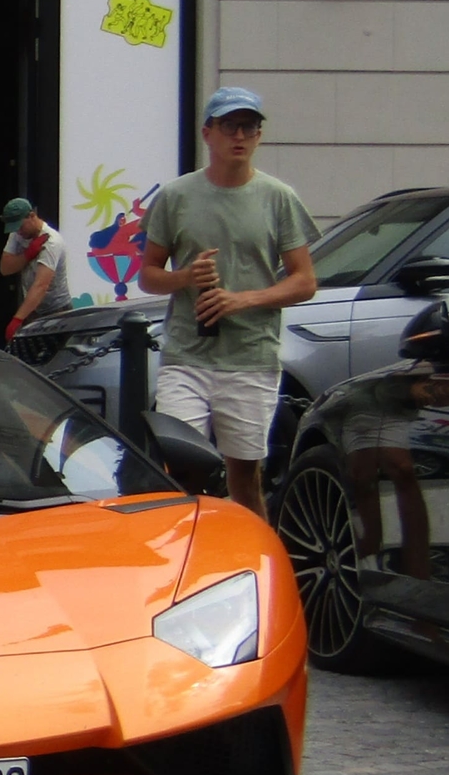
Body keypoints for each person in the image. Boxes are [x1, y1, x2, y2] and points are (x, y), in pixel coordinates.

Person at [136, 86, 319, 518]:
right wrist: (185, 277)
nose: (240, 135)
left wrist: (242, 300)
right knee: (182, 472)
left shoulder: (278, 197)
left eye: (250, 126)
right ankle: (181, 568)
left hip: (250, 358)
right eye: (230, 125)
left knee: (245, 478)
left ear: (258, 136)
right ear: (208, 133)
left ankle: (254, 570)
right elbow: (148, 274)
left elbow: (305, 281)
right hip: (186, 356)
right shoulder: (177, 196)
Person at [0, 197, 72, 342]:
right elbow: (5, 268)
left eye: (20, 226)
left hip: (57, 310)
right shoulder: (18, 234)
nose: (18, 232)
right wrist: (28, 254)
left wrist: (17, 319)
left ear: (32, 216)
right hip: (33, 309)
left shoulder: (51, 242)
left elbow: (41, 286)